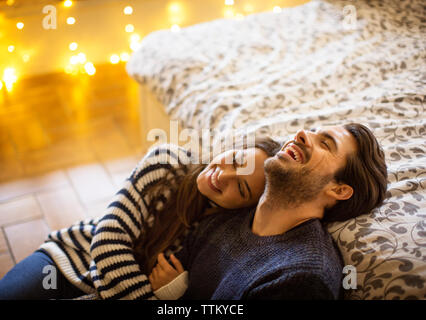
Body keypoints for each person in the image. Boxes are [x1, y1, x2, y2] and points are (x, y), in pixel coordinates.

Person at [0, 136, 280, 300]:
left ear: (245, 207)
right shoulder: (167, 162)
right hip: (70, 260)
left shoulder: (220, 234)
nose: (223, 175)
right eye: (236, 160)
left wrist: (175, 291)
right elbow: (108, 241)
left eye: (240, 188)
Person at [148, 123, 388, 300]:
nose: (303, 133)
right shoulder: (225, 220)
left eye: (325, 143)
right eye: (313, 130)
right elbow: (157, 277)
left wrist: (177, 298)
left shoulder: (303, 277)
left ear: (339, 189)